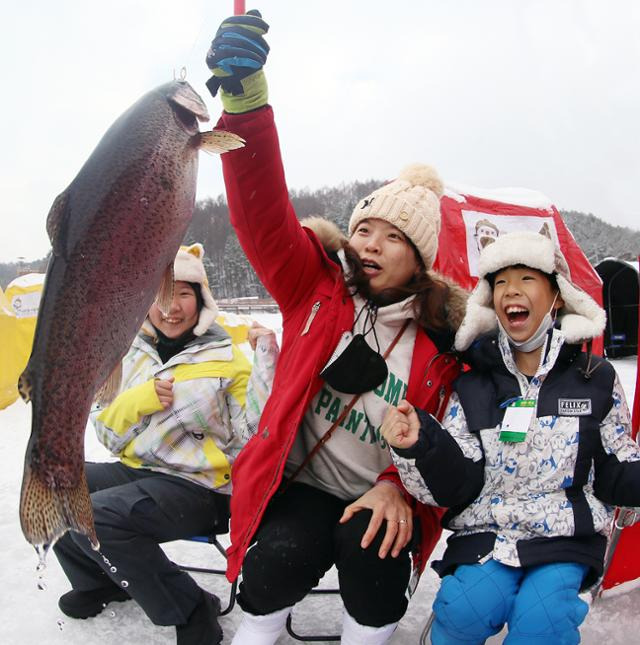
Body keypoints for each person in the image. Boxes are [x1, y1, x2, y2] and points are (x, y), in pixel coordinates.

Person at [204, 11, 469, 645]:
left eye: (394, 236)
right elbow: (262, 211)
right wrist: (245, 105)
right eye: (365, 228)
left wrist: (393, 487)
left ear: (421, 259)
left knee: (377, 554)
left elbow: (450, 447)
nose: (372, 243)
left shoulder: (442, 345)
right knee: (273, 565)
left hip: (380, 491)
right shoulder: (314, 290)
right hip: (303, 483)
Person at [381, 230, 640, 644]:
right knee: (464, 610)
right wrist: (419, 444)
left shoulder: (595, 379)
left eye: (526, 279)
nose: (510, 291)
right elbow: (457, 482)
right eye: (500, 282)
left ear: (556, 296)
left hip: (565, 535)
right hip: (488, 532)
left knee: (543, 622)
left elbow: (615, 467)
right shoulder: (474, 384)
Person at [53, 243, 252, 645]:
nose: (170, 307)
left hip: (202, 486)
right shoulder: (126, 354)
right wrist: (135, 401)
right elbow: (107, 436)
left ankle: (191, 605)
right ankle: (100, 580)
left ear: (201, 300)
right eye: (159, 295)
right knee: (53, 484)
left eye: (182, 293)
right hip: (139, 470)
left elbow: (253, 438)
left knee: (99, 516)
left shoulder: (231, 358)